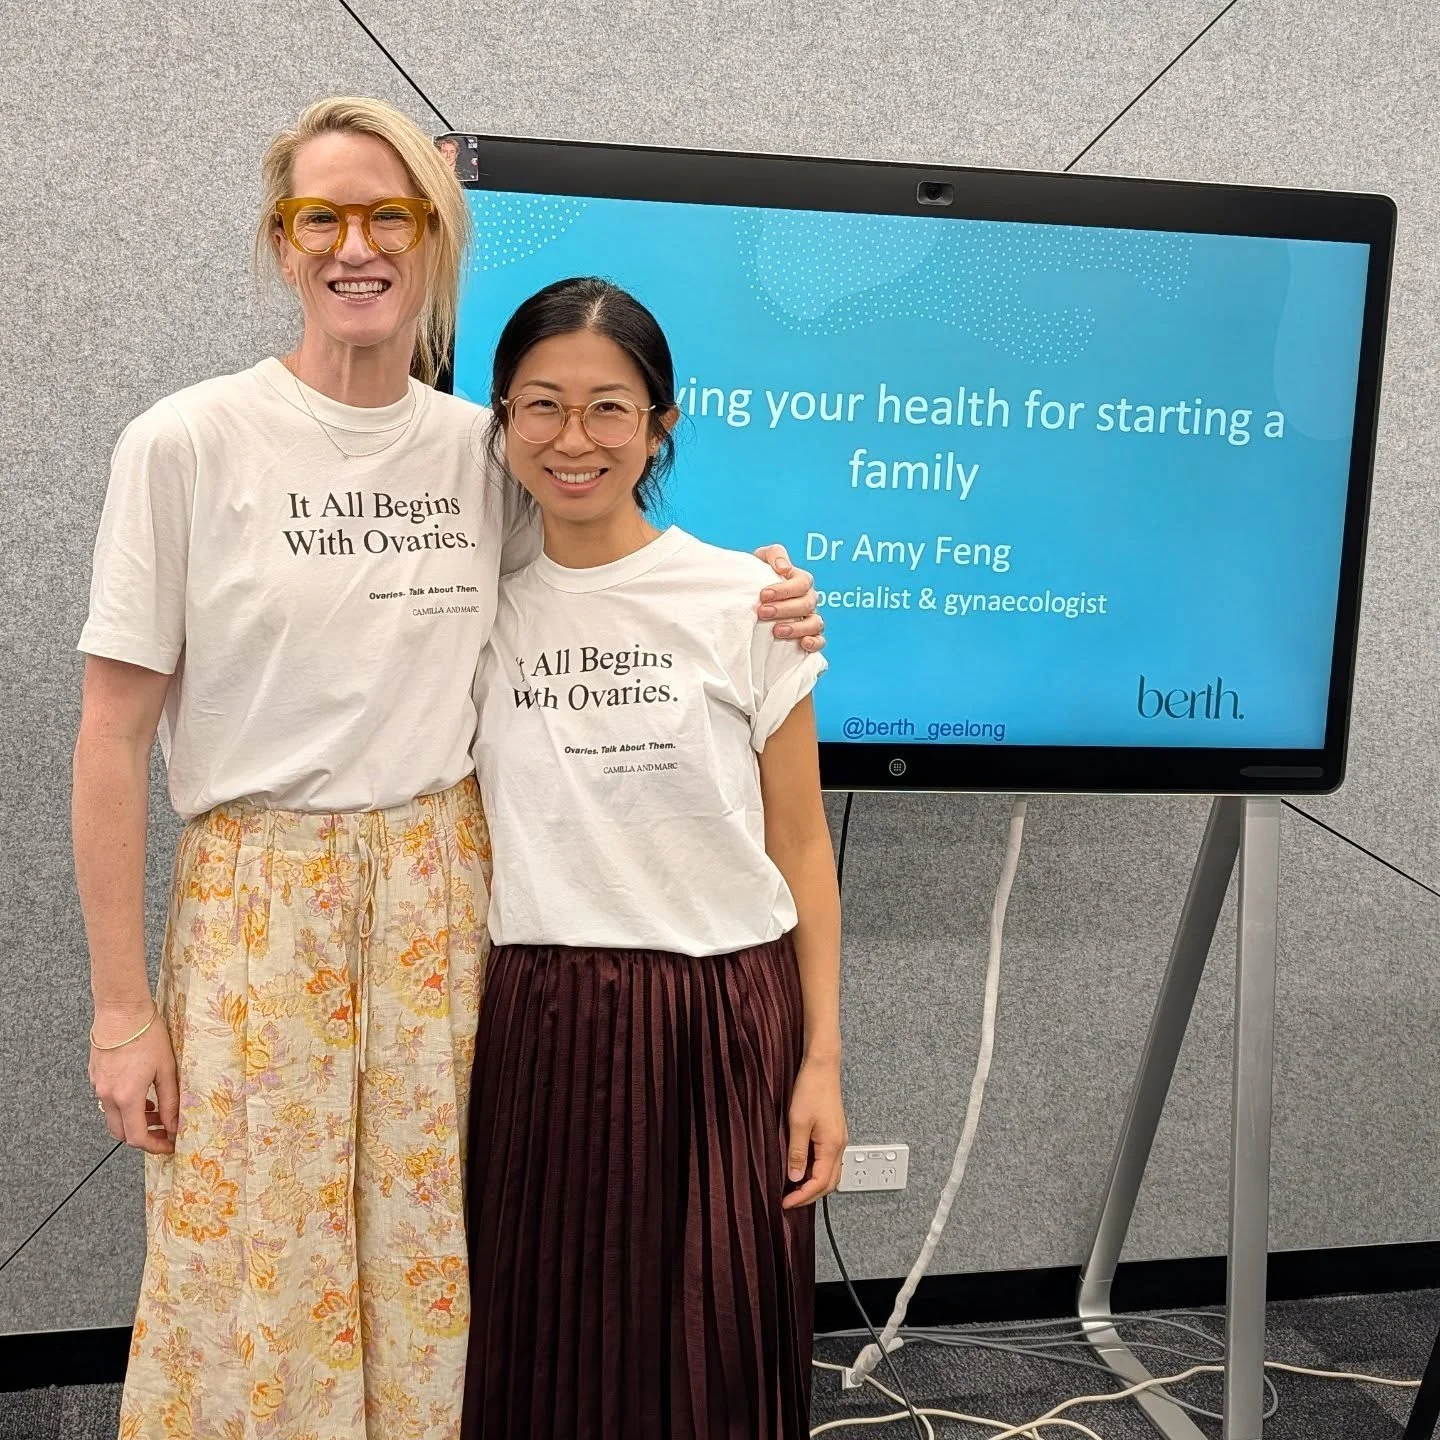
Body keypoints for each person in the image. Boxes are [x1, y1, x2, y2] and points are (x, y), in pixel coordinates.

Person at [73, 98, 823, 1440]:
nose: (356, 247)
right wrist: (123, 1011)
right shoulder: (185, 444)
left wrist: (768, 593)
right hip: (263, 906)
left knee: (435, 1280)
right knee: (258, 1267)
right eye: (323, 217)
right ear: (280, 239)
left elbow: (622, 563)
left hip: (443, 900)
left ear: (435, 239)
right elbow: (113, 738)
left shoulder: (481, 454)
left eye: (391, 217)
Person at [460, 277, 847, 1440]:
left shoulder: (748, 600)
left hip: (727, 1005)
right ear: (501, 419)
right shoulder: (474, 608)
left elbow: (800, 847)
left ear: (659, 423)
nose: (573, 441)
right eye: (540, 407)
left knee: (718, 1338)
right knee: (544, 1342)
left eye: (609, 409)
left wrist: (822, 1057)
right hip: (546, 1009)